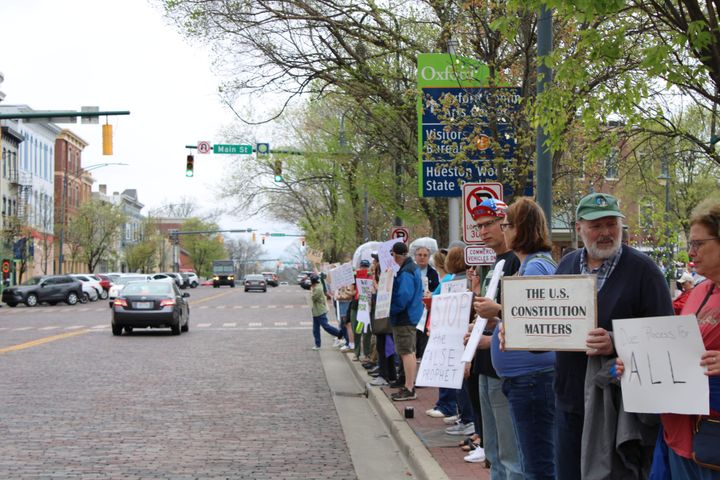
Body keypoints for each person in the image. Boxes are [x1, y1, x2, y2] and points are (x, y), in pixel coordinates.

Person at [553, 192, 673, 479]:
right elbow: (551, 325)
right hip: (569, 400)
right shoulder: (567, 266)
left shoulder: (644, 271)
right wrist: (521, 334)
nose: (605, 232)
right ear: (579, 227)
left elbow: (666, 337)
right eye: (596, 225)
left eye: (611, 224)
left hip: (619, 408)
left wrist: (616, 341)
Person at [616, 197, 720, 479]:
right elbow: (677, 352)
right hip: (676, 433)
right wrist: (634, 365)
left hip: (711, 440)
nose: (691, 251)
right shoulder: (699, 292)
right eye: (691, 243)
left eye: (699, 243)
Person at [474, 197, 557, 480]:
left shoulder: (536, 267)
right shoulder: (527, 266)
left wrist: (497, 311)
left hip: (533, 378)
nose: (503, 231)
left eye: (506, 225)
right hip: (524, 377)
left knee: (534, 462)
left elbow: (539, 319)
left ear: (520, 228)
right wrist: (497, 323)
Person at [468, 198, 524, 478]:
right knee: (493, 450)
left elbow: (526, 318)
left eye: (489, 224)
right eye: (479, 226)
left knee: (509, 452)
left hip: (504, 367)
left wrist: (494, 322)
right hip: (487, 364)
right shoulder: (496, 264)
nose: (483, 231)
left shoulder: (517, 262)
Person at [388, 241, 424, 401]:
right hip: (409, 315)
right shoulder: (410, 269)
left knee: (406, 351)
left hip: (405, 317)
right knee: (407, 351)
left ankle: (409, 387)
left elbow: (403, 296)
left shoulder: (407, 271)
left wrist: (390, 309)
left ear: (396, 255)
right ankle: (408, 385)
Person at [309, 273, 344, 350]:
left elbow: (313, 298)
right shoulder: (318, 286)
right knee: (316, 329)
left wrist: (311, 291)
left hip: (320, 311)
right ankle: (317, 344)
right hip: (316, 311)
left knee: (326, 327)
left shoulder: (317, 288)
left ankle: (340, 334)